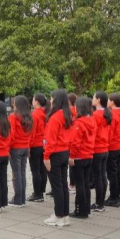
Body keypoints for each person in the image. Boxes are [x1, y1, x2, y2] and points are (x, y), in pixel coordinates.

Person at [44, 89, 72, 227]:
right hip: (64, 152)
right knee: (63, 185)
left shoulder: (55, 117)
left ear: (56, 100)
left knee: (57, 186)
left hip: (55, 153)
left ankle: (59, 215)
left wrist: (46, 157)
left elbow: (51, 140)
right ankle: (65, 215)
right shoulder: (67, 116)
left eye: (51, 98)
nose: (50, 100)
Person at [69, 97, 96, 219]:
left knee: (80, 185)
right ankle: (86, 209)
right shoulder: (92, 121)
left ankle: (81, 211)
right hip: (89, 155)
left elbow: (75, 142)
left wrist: (71, 156)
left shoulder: (79, 123)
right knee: (85, 184)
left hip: (79, 156)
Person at [9, 96, 33, 207]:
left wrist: (8, 148)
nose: (13, 105)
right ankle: (22, 199)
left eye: (14, 103)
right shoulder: (29, 117)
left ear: (17, 105)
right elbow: (30, 134)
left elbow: (12, 134)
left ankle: (17, 200)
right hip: (25, 147)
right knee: (22, 173)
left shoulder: (13, 117)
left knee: (16, 174)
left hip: (16, 148)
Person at [90, 91, 112, 212]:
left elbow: (92, 133)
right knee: (103, 176)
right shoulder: (107, 114)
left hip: (97, 148)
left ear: (98, 100)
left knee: (98, 177)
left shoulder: (96, 115)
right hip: (105, 148)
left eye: (93, 97)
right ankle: (101, 202)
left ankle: (99, 203)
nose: (92, 99)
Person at [105, 93, 120, 207]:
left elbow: (110, 132)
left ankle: (114, 197)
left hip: (113, 146)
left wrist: (106, 144)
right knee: (118, 171)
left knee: (112, 173)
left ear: (112, 102)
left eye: (109, 100)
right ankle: (116, 195)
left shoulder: (113, 114)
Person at [27, 93, 49, 203]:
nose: (32, 101)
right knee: (42, 170)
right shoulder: (45, 114)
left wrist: (28, 146)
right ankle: (41, 191)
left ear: (36, 102)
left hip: (35, 145)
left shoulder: (34, 115)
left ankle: (37, 194)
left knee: (35, 170)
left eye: (33, 99)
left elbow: (32, 133)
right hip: (44, 145)